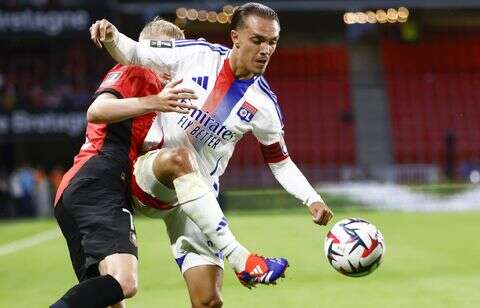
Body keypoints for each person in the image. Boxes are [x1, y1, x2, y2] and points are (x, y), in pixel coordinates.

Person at [91, 0, 333, 298]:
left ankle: (235, 259)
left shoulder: (265, 106)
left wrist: (311, 198)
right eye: (257, 40)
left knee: (208, 299)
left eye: (272, 42)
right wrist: (112, 35)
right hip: (153, 175)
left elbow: (280, 162)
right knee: (180, 158)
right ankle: (241, 258)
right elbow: (136, 53)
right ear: (235, 37)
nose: (265, 50)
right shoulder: (196, 54)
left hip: (199, 199)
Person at [50, 20, 197, 308]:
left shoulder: (159, 90)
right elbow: (97, 110)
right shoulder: (135, 71)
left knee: (109, 300)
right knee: (125, 282)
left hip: (86, 188)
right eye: (170, 53)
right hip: (99, 181)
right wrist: (155, 101)